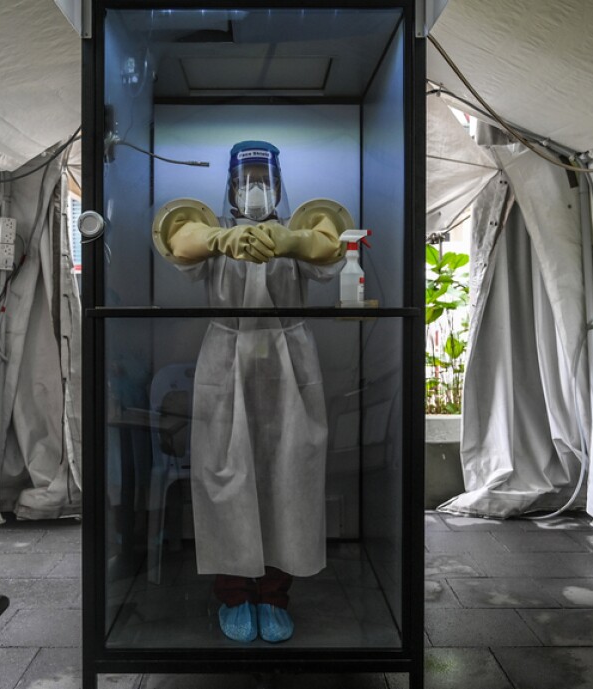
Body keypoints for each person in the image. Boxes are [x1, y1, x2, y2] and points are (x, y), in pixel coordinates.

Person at [152, 141, 346, 643]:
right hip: (227, 361)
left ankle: (276, 594)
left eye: (264, 176)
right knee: (227, 475)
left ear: (279, 183)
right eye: (247, 177)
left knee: (289, 475)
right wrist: (224, 241)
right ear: (231, 184)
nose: (255, 187)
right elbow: (179, 240)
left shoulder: (297, 229)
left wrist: (291, 243)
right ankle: (235, 593)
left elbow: (330, 247)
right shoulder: (214, 233)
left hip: (289, 364)